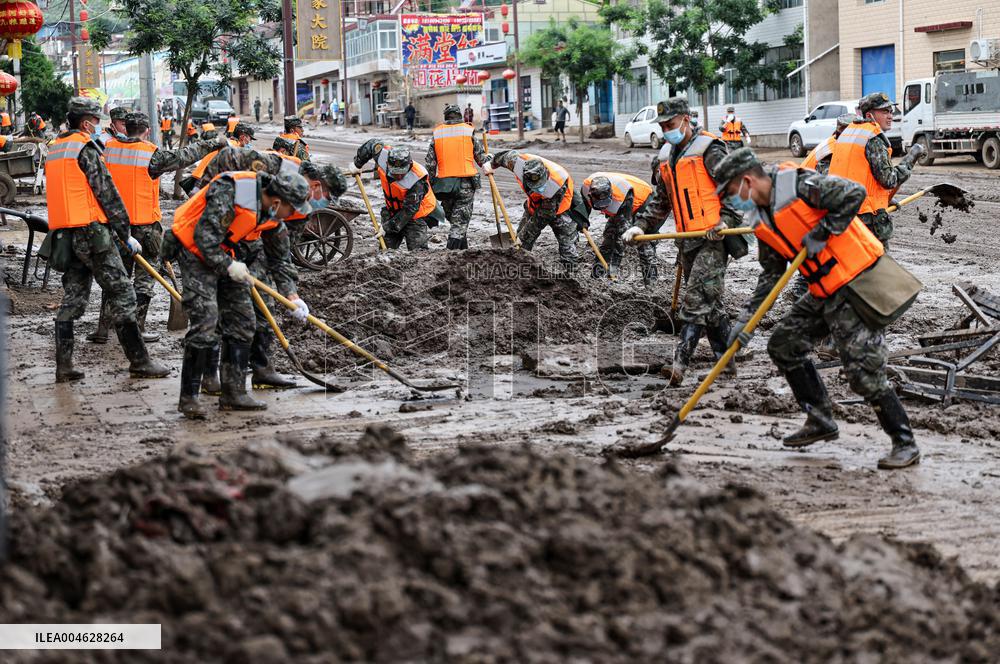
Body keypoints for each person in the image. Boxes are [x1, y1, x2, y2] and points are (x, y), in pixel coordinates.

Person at [714, 148, 920, 470]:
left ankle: (904, 442)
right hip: (823, 291)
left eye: (729, 192)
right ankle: (820, 418)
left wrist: (823, 232)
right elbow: (771, 274)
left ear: (747, 180)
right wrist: (745, 322)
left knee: (862, 372)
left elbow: (855, 193)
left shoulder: (799, 185)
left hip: (855, 281)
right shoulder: (761, 217)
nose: (730, 201)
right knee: (783, 345)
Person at [192, 145, 346, 390]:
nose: (323, 203)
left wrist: (291, 294)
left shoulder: (303, 208)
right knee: (221, 308)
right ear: (316, 185)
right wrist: (207, 197)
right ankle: (210, 375)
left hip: (254, 242)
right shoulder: (275, 166)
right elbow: (227, 156)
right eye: (326, 196)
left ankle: (263, 369)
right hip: (220, 238)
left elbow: (281, 254)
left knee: (264, 302)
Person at [162, 171, 312, 418]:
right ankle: (188, 398)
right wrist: (228, 266)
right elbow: (204, 238)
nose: (293, 214)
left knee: (243, 320)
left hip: (226, 255)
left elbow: (280, 258)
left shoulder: (272, 214)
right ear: (277, 202)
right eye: (292, 208)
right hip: (192, 250)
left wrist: (292, 295)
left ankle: (233, 394)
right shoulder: (231, 192)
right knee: (207, 322)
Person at [45, 97, 170, 383]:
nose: (98, 125)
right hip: (92, 233)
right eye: (96, 120)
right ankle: (140, 362)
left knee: (73, 299)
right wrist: (124, 233)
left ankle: (63, 367)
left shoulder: (56, 147)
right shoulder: (85, 148)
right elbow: (107, 192)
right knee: (123, 292)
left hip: (66, 233)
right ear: (86, 122)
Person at [623, 98, 745, 384]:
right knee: (710, 305)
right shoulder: (666, 156)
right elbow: (661, 200)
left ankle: (679, 364)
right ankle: (727, 364)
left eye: (671, 124)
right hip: (687, 240)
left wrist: (726, 220)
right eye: (663, 126)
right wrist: (640, 226)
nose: (667, 130)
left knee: (695, 299)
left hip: (714, 238)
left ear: (686, 120)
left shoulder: (710, 149)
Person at [93, 112, 223, 345]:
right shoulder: (150, 155)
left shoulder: (107, 149)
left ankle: (103, 328)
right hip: (143, 229)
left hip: (114, 227)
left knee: (115, 276)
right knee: (145, 278)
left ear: (125, 127)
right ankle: (138, 328)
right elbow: (185, 156)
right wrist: (214, 143)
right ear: (147, 130)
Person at [828, 92, 924, 251]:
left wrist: (883, 200)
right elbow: (889, 180)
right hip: (866, 220)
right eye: (884, 112)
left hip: (843, 215)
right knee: (878, 268)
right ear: (869, 115)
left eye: (891, 111)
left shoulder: (848, 133)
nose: (890, 116)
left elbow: (858, 176)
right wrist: (911, 158)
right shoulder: (872, 138)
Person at [484, 150, 587, 271]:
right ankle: (518, 266)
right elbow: (504, 156)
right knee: (519, 243)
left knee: (567, 244)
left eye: (539, 184)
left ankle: (571, 273)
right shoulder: (518, 163)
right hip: (533, 205)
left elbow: (541, 219)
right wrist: (491, 164)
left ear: (545, 175)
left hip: (560, 209)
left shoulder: (555, 186)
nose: (538, 188)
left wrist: (523, 237)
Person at [349, 140, 444, 251]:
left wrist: (386, 227)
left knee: (418, 253)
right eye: (394, 172)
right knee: (385, 251)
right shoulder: (383, 157)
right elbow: (370, 145)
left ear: (409, 166)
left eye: (401, 173)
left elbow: (409, 210)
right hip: (393, 211)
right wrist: (357, 164)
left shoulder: (417, 179)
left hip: (416, 216)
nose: (397, 176)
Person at [425, 104, 488, 250]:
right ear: (460, 116)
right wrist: (488, 161)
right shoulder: (468, 130)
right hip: (465, 183)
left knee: (456, 219)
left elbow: (430, 163)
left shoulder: (437, 133)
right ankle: (451, 253)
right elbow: (480, 158)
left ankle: (462, 250)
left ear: (446, 117)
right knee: (459, 222)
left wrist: (431, 184)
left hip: (445, 185)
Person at [582, 172, 653, 279]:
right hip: (622, 202)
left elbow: (622, 234)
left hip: (644, 201)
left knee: (644, 243)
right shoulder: (586, 187)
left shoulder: (622, 197)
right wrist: (583, 220)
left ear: (611, 194)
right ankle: (597, 275)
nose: (603, 208)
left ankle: (651, 281)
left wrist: (614, 266)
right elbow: (583, 205)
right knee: (609, 237)